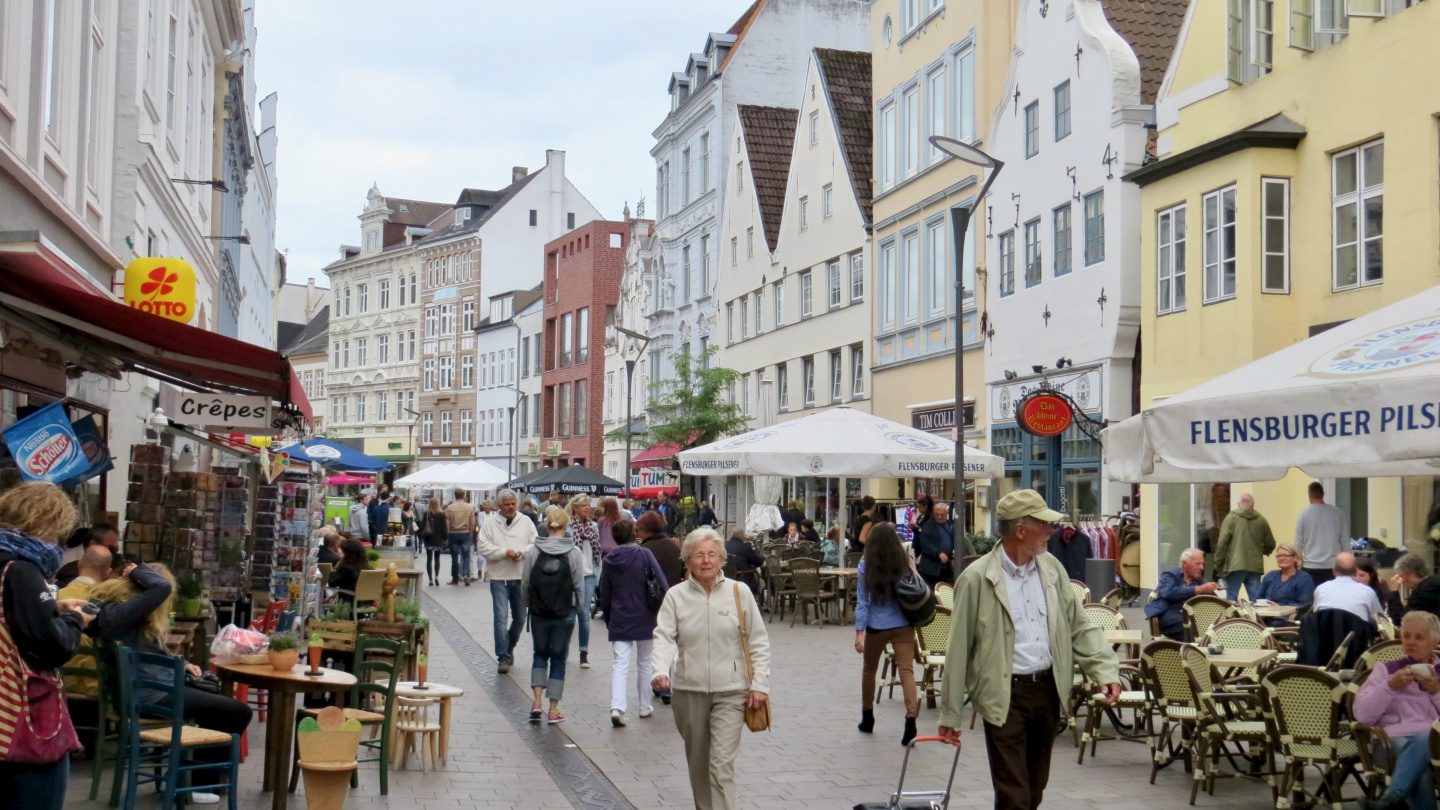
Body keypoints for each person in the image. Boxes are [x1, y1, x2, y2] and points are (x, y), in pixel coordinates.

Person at [938, 489, 1121, 810]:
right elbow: (958, 648)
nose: (1052, 531)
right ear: (1021, 530)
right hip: (1003, 695)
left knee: (1034, 791)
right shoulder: (977, 578)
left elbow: (1079, 625)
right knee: (1015, 797)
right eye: (1045, 525)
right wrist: (951, 712)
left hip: (1048, 692)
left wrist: (1104, 669)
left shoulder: (1051, 569)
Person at [90, 562, 250, 802]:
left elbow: (151, 652)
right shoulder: (130, 613)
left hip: (146, 690)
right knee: (237, 712)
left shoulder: (120, 611)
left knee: (218, 708)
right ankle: (196, 785)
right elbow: (161, 587)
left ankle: (194, 780)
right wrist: (136, 570)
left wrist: (181, 663)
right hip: (153, 694)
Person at [652, 529, 770, 810]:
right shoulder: (676, 596)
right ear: (688, 561)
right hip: (688, 691)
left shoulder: (738, 593)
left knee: (721, 764)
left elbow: (758, 641)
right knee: (699, 766)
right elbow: (664, 636)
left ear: (721, 559)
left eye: (712, 554)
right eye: (699, 555)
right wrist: (660, 670)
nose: (706, 561)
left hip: (732, 691)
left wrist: (760, 684)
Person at [0, 482, 92, 809]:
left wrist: (51, 608)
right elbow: (50, 647)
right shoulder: (23, 570)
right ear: (47, 523)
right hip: (20, 725)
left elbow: (12, 618)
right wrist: (75, 621)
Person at [1352, 610, 1440, 810]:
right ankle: (1393, 798)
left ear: (1435, 643)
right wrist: (1389, 687)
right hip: (1390, 741)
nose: (1410, 642)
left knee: (1428, 735)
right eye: (1406, 636)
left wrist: (1436, 691)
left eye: (1418, 637)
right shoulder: (1386, 671)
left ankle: (1392, 797)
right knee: (1418, 769)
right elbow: (1362, 715)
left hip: (1434, 741)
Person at [597, 519, 668, 726]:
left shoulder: (609, 560)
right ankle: (644, 705)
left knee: (620, 663)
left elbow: (605, 593)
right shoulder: (644, 554)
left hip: (620, 616)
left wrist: (609, 617)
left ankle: (617, 707)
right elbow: (662, 582)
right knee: (645, 662)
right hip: (646, 614)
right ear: (634, 533)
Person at [855, 522, 920, 745]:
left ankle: (867, 716)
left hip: (876, 625)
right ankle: (911, 719)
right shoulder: (906, 561)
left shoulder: (865, 564)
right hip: (903, 623)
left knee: (869, 670)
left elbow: (862, 602)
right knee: (907, 672)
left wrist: (858, 632)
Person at [520, 506, 583, 724]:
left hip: (539, 612)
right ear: (566, 526)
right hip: (564, 612)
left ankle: (536, 702)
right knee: (559, 658)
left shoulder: (534, 551)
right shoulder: (574, 552)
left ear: (547, 525)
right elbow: (579, 586)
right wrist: (579, 609)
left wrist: (528, 606)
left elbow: (525, 583)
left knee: (539, 654)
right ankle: (553, 709)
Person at [476, 490, 539, 674]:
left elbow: (535, 543)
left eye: (513, 504)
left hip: (520, 576)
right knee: (500, 617)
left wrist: (522, 552)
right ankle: (502, 656)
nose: (511, 507)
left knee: (520, 617)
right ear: (499, 506)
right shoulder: (490, 524)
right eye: (507, 505)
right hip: (498, 577)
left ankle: (510, 646)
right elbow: (483, 547)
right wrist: (505, 553)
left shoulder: (526, 522)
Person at [59, 543, 112, 751]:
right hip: (95, 685)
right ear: (108, 573)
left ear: (79, 564)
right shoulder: (108, 601)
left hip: (61, 681)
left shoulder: (58, 596)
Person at [1213, 493, 1277, 601]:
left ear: (1239, 504)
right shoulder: (1261, 520)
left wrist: (1218, 563)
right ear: (1253, 504)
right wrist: (1260, 551)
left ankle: (1233, 618)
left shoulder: (1231, 517)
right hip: (1255, 566)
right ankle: (1257, 618)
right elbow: (1271, 543)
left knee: (1231, 600)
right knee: (1256, 600)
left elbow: (1222, 542)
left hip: (1235, 565)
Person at [1145, 548, 1218, 641]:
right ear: (1184, 564)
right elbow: (1166, 592)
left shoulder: (1199, 580)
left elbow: (1213, 599)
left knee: (1215, 627)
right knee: (1187, 628)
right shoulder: (1170, 575)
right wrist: (1198, 590)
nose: (1201, 568)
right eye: (1197, 564)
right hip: (1171, 612)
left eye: (1202, 564)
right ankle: (1190, 652)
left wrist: (1211, 592)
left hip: (1192, 615)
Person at [567, 495, 599, 670]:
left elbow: (597, 552)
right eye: (584, 505)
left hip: (589, 574)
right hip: (573, 575)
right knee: (571, 614)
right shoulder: (569, 528)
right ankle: (563, 650)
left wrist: (597, 575)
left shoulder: (594, 527)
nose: (588, 508)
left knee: (584, 614)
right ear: (575, 508)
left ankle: (583, 653)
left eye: (589, 505)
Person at [1295, 481, 1349, 585]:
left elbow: (1298, 543)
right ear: (1323, 494)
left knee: (1313, 598)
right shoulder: (1337, 513)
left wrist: (1298, 563)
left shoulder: (1303, 514)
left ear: (1309, 495)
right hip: (1334, 566)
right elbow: (1345, 541)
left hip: (1311, 566)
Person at [1312, 552, 1384, 621]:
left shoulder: (1320, 589)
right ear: (1353, 571)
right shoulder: (1367, 592)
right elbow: (1381, 620)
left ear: (1333, 571)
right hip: (1357, 632)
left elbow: (1316, 616)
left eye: (1361, 575)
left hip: (1325, 632)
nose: (1358, 578)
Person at [55, 523, 119, 588]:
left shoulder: (112, 563)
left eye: (116, 549)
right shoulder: (66, 559)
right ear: (93, 543)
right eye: (109, 548)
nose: (112, 553)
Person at [1254, 544, 1315, 609]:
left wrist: (1280, 607)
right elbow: (1258, 598)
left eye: (1285, 555)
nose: (1281, 558)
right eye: (1278, 556)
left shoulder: (1304, 578)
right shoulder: (1270, 575)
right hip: (1265, 614)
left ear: (1295, 558)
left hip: (1289, 617)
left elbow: (1306, 605)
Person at [914, 502, 957, 589]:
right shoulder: (928, 526)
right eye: (937, 514)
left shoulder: (949, 525)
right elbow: (925, 544)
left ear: (947, 514)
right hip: (931, 569)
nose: (940, 517)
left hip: (945, 567)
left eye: (942, 515)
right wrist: (939, 553)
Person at [636, 510, 683, 589]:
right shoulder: (673, 545)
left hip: (655, 597)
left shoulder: (643, 550)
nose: (638, 534)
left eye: (638, 530)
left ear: (643, 530)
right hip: (674, 593)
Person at [1390, 553, 1440, 618]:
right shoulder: (1434, 582)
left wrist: (1394, 591)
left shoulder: (1423, 592)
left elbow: (1402, 620)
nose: (1401, 581)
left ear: (1412, 574)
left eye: (1401, 576)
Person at [444, 492, 479, 586]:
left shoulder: (450, 508)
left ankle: (455, 578)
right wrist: (470, 531)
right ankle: (466, 574)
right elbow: (472, 522)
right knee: (466, 555)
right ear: (463, 496)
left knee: (454, 557)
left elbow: (446, 523)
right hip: (465, 533)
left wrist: (447, 534)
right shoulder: (469, 507)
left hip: (453, 533)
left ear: (455, 496)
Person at [1357, 556, 1405, 623]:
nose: (1357, 579)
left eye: (1361, 575)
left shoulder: (1381, 585)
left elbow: (1387, 609)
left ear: (1371, 576)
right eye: (1353, 575)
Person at [328, 538, 372, 602]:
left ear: (347, 554)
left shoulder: (346, 569)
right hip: (366, 601)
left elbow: (332, 582)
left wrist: (337, 565)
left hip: (350, 601)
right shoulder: (368, 567)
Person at [418, 497, 449, 587]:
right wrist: (445, 537)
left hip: (428, 538)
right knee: (437, 558)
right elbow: (444, 527)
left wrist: (421, 536)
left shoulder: (427, 514)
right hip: (438, 538)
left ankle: (430, 579)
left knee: (429, 559)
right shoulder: (441, 514)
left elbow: (423, 526)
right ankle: (437, 576)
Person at [724, 528, 765, 595]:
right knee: (762, 582)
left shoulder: (725, 546)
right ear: (742, 536)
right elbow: (758, 562)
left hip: (727, 580)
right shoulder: (745, 547)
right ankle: (752, 602)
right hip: (744, 580)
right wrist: (763, 557)